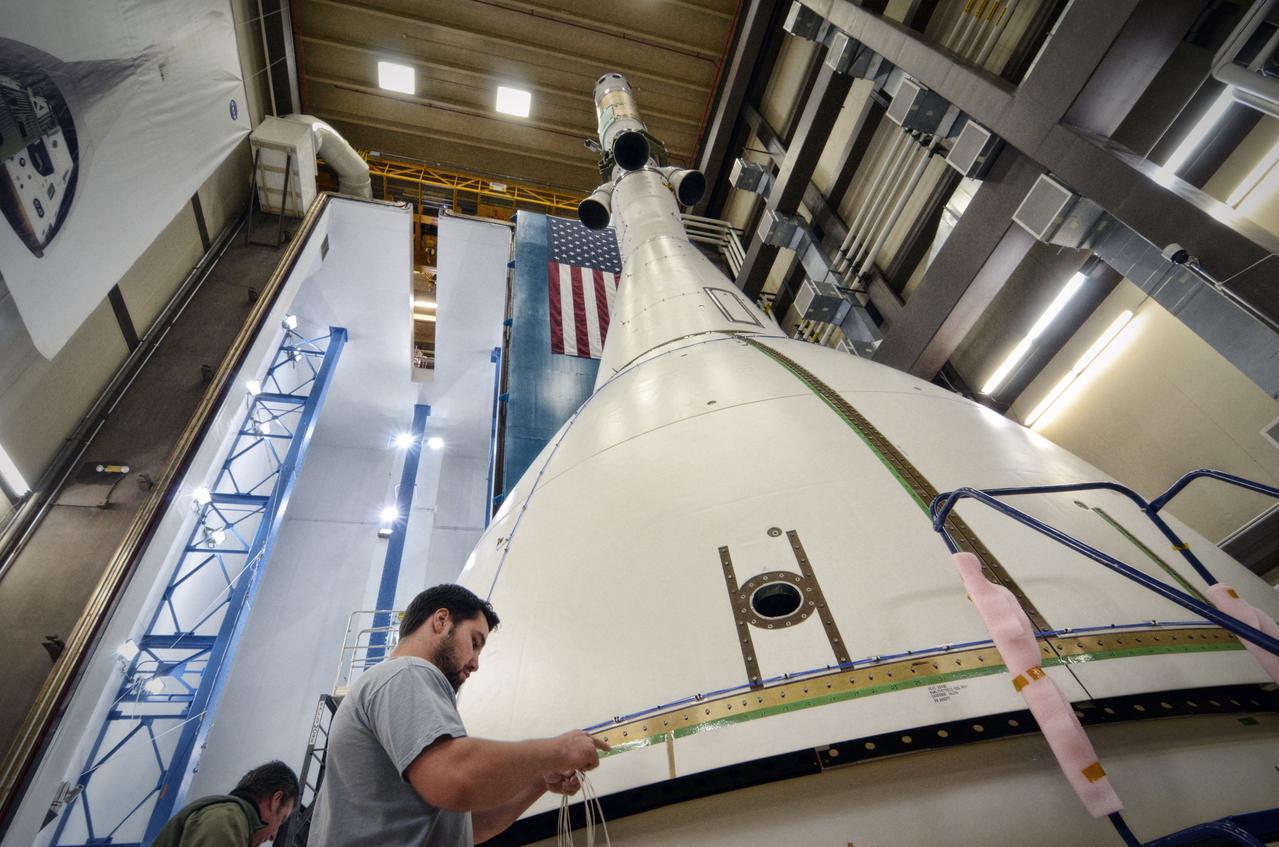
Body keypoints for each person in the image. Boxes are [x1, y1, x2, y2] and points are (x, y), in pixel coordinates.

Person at [308, 584, 609, 846]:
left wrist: (540, 781)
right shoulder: (408, 673)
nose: (475, 663)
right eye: (474, 642)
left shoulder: (397, 687)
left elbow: (472, 827)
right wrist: (560, 750)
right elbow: (456, 779)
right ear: (441, 621)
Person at [147, 760, 298, 847]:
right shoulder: (227, 819)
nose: (274, 836)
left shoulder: (228, 818)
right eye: (282, 819)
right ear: (276, 800)